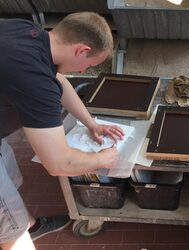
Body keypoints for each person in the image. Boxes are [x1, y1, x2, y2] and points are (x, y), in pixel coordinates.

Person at [0, 12, 125, 250]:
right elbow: (58, 164)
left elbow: (58, 78)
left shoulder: (29, 31)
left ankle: (32, 225)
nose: (84, 70)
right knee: (9, 226)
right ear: (81, 50)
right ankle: (18, 233)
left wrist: (91, 123)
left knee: (9, 180)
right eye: (89, 64)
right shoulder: (34, 80)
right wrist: (102, 158)